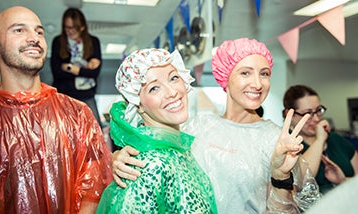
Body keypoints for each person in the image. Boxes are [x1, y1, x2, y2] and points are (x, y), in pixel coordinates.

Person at [110, 38, 319, 213]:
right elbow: (156, 141)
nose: (257, 83)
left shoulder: (278, 140)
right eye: (245, 73)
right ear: (225, 77)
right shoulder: (196, 126)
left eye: (264, 73)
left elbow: (298, 205)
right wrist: (119, 157)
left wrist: (280, 177)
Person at [0, 6, 113, 213]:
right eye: (19, 30)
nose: (34, 38)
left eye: (39, 31)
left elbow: (93, 189)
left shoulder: (78, 115)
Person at [96, 48, 217, 213]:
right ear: (138, 105)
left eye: (174, 78)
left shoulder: (178, 151)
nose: (172, 92)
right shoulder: (148, 166)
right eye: (154, 88)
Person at [283, 84, 358, 194]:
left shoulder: (337, 140)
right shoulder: (285, 144)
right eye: (308, 113)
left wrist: (343, 180)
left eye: (319, 110)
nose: (316, 118)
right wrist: (320, 140)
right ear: (289, 114)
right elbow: (301, 180)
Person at [51, 7, 103, 127]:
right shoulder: (58, 42)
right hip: (63, 96)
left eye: (74, 28)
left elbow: (94, 73)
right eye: (67, 27)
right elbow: (57, 72)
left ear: (82, 27)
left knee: (95, 129)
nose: (70, 31)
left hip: (87, 95)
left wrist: (70, 68)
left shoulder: (93, 42)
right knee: (63, 130)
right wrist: (84, 69)